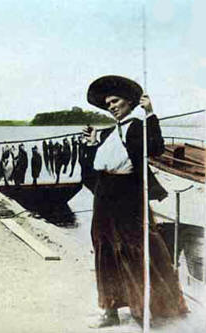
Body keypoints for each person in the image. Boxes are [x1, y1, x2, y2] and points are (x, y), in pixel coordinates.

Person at [82, 75, 188, 328]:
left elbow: (155, 149)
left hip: (127, 195)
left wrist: (150, 114)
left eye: (115, 101)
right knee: (104, 248)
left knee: (135, 248)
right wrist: (91, 144)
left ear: (130, 102)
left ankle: (144, 310)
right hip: (105, 196)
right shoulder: (110, 132)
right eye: (108, 103)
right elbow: (99, 164)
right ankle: (109, 311)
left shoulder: (137, 127)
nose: (111, 106)